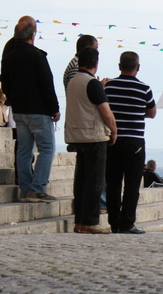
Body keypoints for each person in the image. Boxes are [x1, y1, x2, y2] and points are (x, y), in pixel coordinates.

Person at [1, 17, 61, 202]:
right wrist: (55, 109)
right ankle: (37, 187)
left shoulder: (8, 57)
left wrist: (13, 100)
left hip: (19, 111)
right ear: (33, 35)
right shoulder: (37, 56)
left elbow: (6, 85)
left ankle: (25, 189)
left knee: (24, 151)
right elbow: (46, 84)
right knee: (47, 149)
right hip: (38, 110)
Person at [64, 48, 117, 234]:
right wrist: (114, 131)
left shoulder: (72, 82)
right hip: (93, 136)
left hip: (77, 135)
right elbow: (106, 113)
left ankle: (79, 219)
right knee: (95, 181)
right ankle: (90, 221)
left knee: (81, 180)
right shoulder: (92, 83)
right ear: (96, 63)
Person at [104, 51, 156, 234]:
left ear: (120, 66)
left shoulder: (108, 87)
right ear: (138, 68)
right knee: (132, 185)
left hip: (113, 140)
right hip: (135, 142)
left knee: (113, 184)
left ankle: (114, 223)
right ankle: (127, 223)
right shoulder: (144, 89)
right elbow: (152, 113)